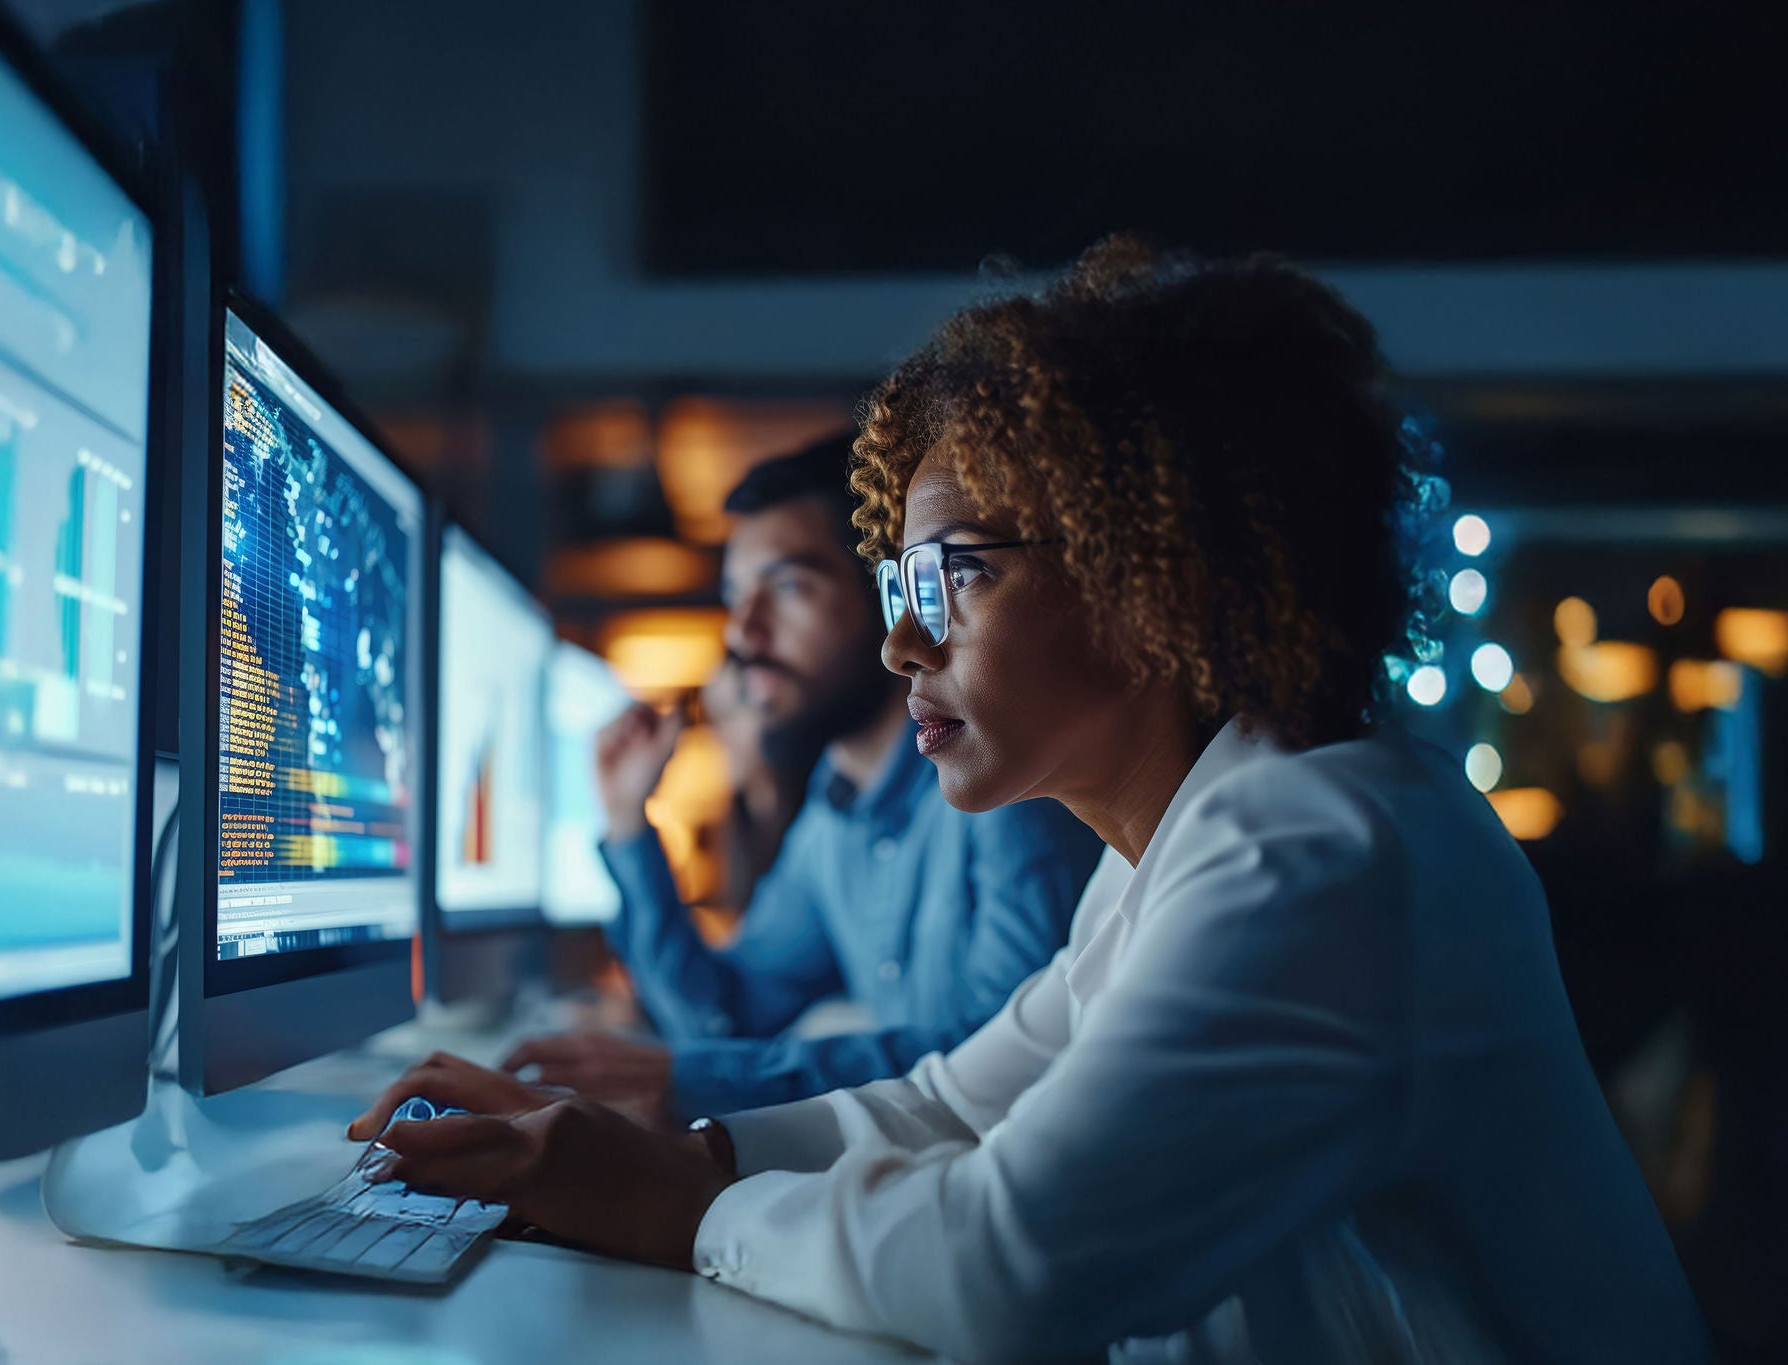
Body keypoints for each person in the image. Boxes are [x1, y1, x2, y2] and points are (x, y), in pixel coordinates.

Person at [351, 240, 1712, 1363]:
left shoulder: (1322, 847)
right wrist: (674, 1149)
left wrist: (676, 1202)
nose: (903, 647)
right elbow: (948, 1103)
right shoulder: (1174, 843)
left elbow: (1003, 1269)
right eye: (899, 592)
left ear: (1153, 572)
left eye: (957, 580)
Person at [506, 436, 1101, 1118]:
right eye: (736, 597)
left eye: (788, 587)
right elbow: (721, 1020)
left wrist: (687, 1078)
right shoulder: (832, 815)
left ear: (887, 596)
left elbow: (1000, 1061)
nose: (743, 634)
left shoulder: (1001, 775)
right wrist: (625, 823)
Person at [698, 654, 818, 915]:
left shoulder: (817, 820)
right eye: (713, 720)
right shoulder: (738, 825)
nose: (718, 735)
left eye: (730, 714)